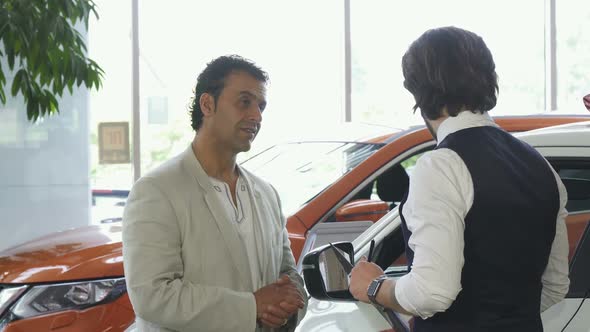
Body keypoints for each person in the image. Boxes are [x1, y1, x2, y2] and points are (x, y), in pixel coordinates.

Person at [349, 26, 570, 331]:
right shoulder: (540, 166)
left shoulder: (440, 166)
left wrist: (374, 287)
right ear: (489, 80)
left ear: (418, 93)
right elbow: (555, 286)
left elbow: (432, 292)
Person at [123, 55, 307, 331]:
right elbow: (152, 295)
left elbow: (288, 276)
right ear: (207, 104)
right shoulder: (156, 191)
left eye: (261, 106)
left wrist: (289, 306)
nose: (256, 116)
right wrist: (253, 306)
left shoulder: (266, 193)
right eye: (245, 102)